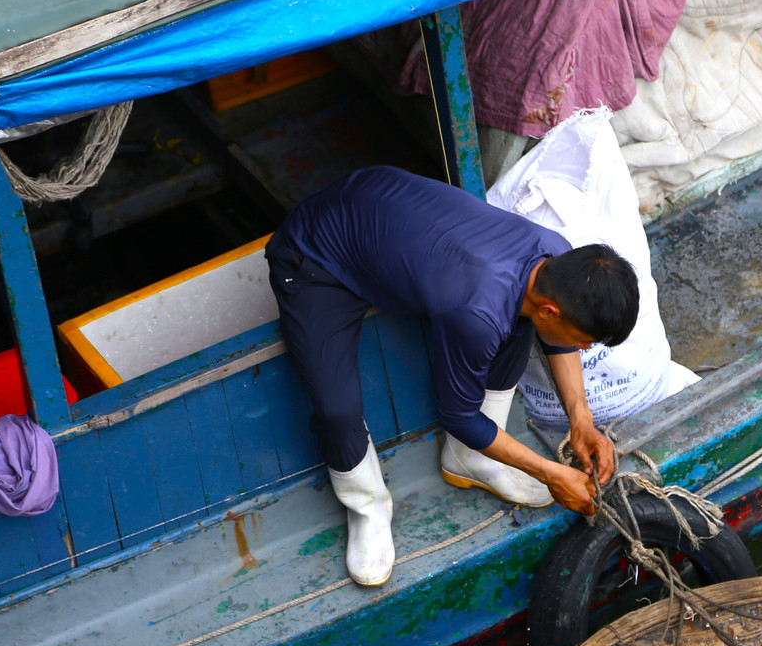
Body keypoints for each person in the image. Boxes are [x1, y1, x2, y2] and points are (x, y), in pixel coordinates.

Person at [266, 166, 639, 587]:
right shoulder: (477, 310)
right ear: (552, 310)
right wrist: (549, 472)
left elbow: (555, 332)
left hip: (384, 224)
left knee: (520, 320)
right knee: (336, 410)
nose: (584, 349)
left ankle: (471, 459)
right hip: (316, 257)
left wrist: (581, 420)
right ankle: (367, 506)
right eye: (585, 340)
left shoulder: (554, 255)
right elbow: (459, 416)